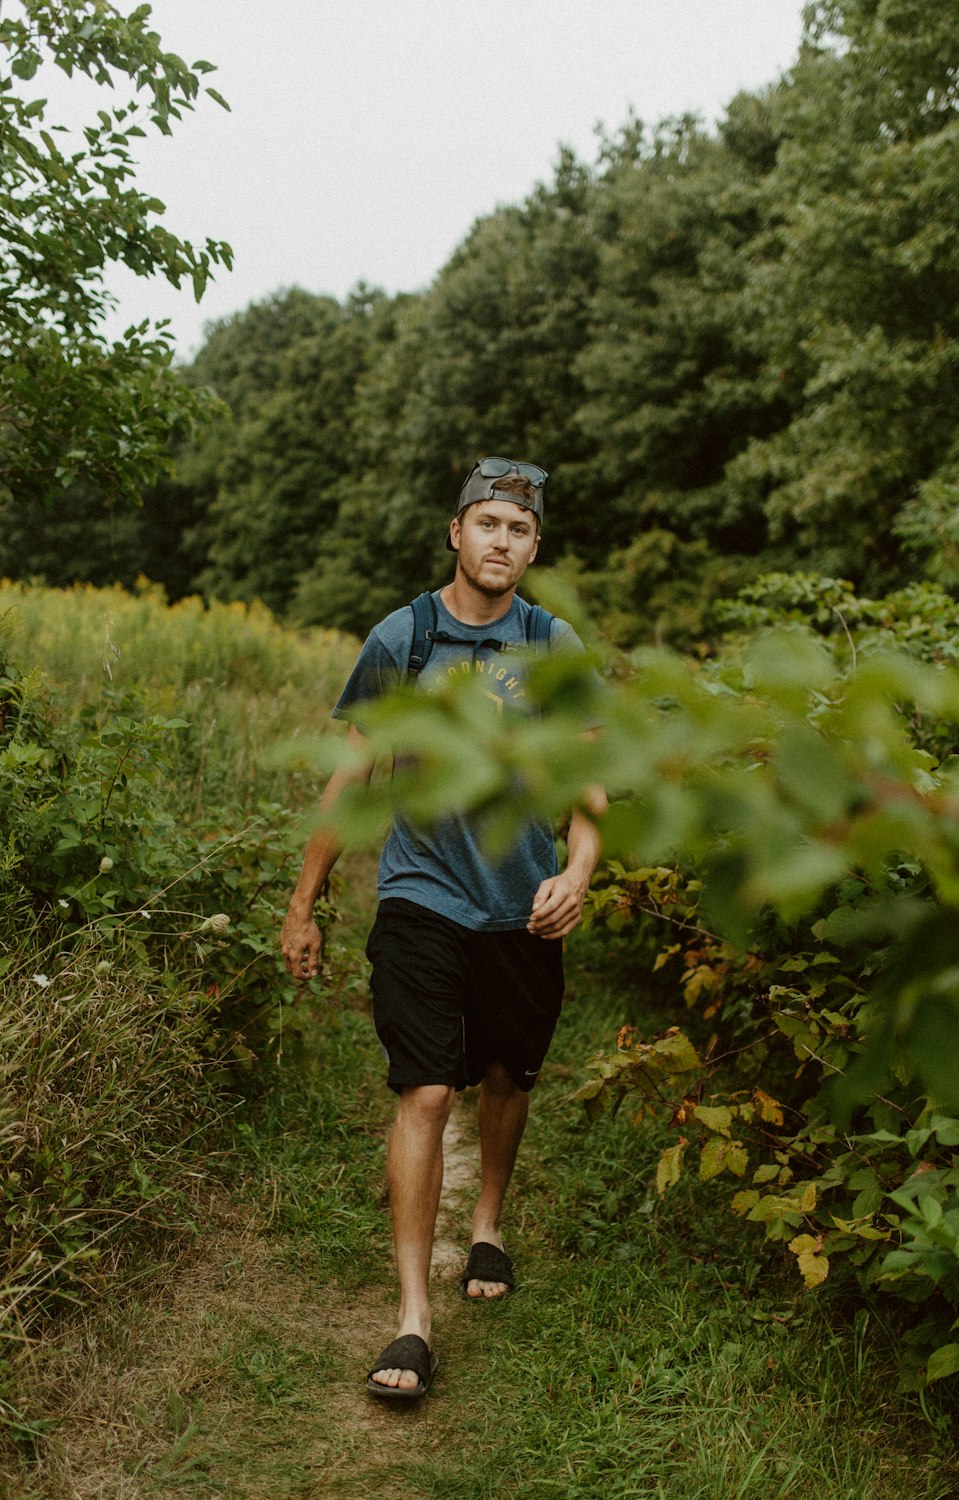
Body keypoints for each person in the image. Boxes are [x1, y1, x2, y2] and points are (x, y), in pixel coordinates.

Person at [280, 456, 605, 1402]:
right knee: (425, 1091)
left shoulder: (553, 645)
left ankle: (489, 1219)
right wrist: (304, 903)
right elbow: (351, 779)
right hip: (419, 899)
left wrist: (578, 870)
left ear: (533, 547)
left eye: (520, 530)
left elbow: (589, 785)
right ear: (456, 533)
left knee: (506, 1076)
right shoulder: (404, 638)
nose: (502, 541)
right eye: (488, 523)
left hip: (523, 905)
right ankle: (414, 1320)